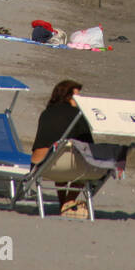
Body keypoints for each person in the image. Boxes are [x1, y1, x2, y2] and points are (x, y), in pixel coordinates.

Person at [30, 79, 96, 218]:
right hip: (62, 164)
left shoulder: (46, 113)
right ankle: (69, 201)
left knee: (59, 155)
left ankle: (63, 204)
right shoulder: (77, 116)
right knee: (86, 163)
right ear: (67, 97)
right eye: (77, 97)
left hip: (40, 166)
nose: (79, 100)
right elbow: (89, 145)